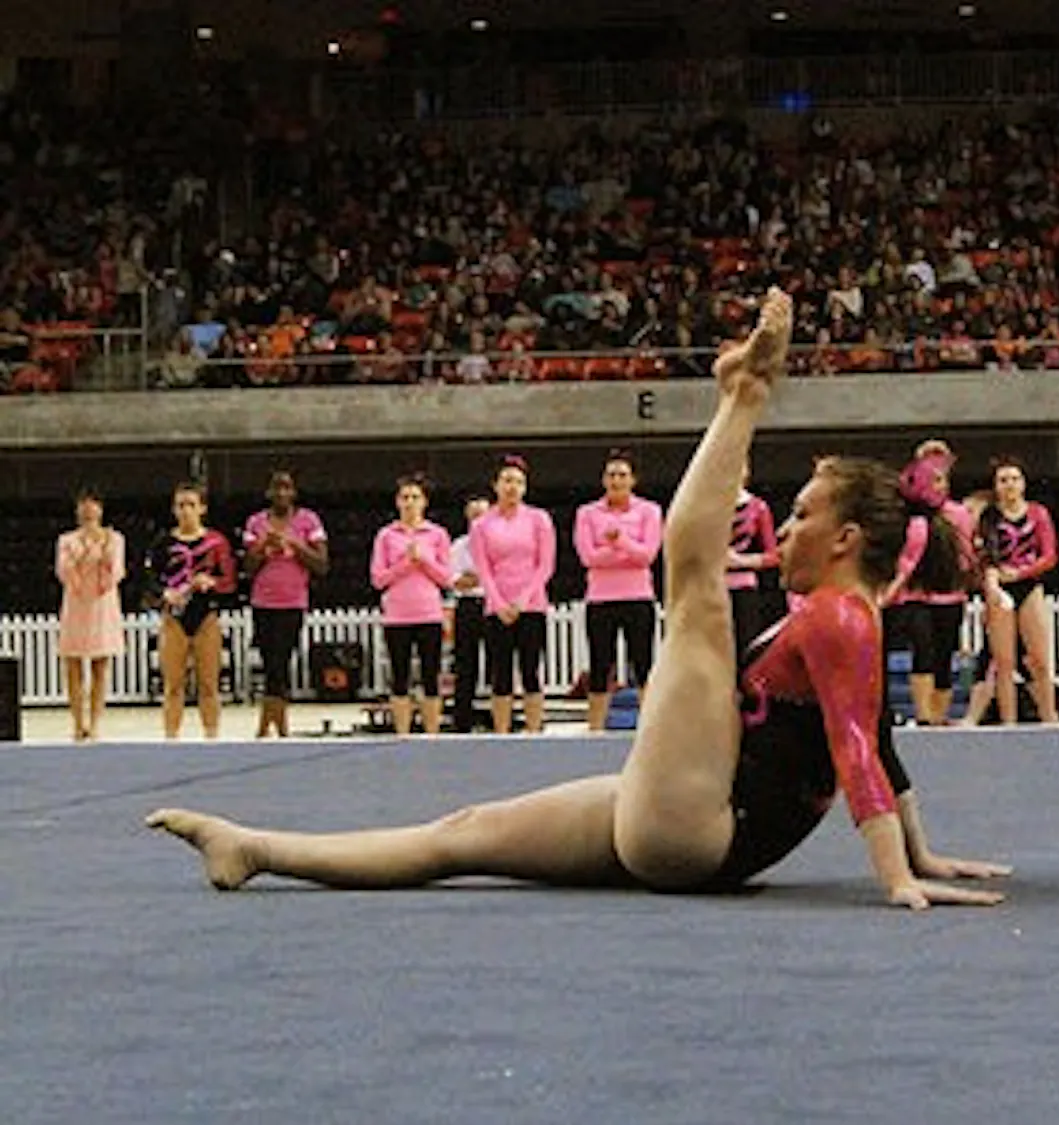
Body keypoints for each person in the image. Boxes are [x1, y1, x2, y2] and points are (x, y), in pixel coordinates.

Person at [147, 289, 1006, 909]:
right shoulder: (848, 618)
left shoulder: (840, 613)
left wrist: (897, 876)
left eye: (802, 515)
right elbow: (878, 739)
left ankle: (743, 395)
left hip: (701, 824)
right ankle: (254, 847)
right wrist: (922, 851)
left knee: (698, 596)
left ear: (848, 539)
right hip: (686, 815)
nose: (783, 529)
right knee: (465, 830)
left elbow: (857, 745)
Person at [882, 442, 971, 726]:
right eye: (931, 479)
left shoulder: (958, 514)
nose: (938, 486)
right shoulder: (911, 516)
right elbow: (904, 558)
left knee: (945, 654)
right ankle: (923, 714)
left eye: (941, 480)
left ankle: (938, 715)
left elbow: (966, 555)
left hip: (950, 594)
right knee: (924, 650)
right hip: (917, 595)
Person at [573, 449, 663, 730]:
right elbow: (588, 557)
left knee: (643, 663)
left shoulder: (649, 511)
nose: (616, 480)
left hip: (638, 596)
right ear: (603, 480)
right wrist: (622, 552)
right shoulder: (587, 513)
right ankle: (596, 727)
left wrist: (618, 541)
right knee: (600, 664)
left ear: (633, 480)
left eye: (622, 475)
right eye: (611, 475)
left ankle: (648, 728)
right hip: (601, 598)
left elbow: (647, 555)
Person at [469, 456, 556, 735]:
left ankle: (533, 729)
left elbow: (545, 565)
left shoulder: (539, 519)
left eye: (518, 482)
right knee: (500, 673)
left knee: (531, 670)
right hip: (497, 607)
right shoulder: (482, 525)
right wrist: (499, 603)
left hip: (531, 605)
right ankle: (502, 732)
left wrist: (524, 599)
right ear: (496, 485)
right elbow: (483, 569)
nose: (512, 487)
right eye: (507, 481)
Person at [144, 482, 238, 740]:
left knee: (209, 685)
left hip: (206, 617)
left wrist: (212, 583)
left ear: (202, 508)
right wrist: (165, 593)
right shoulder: (164, 542)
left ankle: (211, 736)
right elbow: (150, 580)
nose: (186, 511)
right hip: (174, 619)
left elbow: (230, 582)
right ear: (174, 510)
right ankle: (171, 737)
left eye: (191, 505)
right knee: (173, 686)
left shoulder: (216, 542)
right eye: (181, 505)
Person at [974, 456, 1059, 725]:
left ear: (1023, 483)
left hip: (1029, 585)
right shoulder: (989, 517)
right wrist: (992, 588)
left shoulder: (1038, 513)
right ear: (996, 486)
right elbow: (986, 557)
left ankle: (1050, 715)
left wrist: (1021, 572)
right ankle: (1008, 721)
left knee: (1040, 660)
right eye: (1003, 480)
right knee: (1004, 662)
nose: (1009, 485)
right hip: (1001, 588)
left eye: (1014, 479)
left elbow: (1049, 556)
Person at [243, 470, 329, 738]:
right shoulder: (256, 522)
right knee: (270, 662)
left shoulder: (308, 520)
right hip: (263, 601)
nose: (281, 494)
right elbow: (247, 567)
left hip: (292, 601)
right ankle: (275, 723)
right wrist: (263, 547)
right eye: (276, 489)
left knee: (282, 660)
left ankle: (270, 725)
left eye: (286, 488)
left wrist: (295, 544)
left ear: (293, 492)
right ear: (268, 493)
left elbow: (321, 564)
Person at [370, 473, 452, 736]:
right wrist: (405, 563)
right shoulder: (386, 535)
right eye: (405, 497)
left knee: (431, 675)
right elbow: (378, 578)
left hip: (429, 613)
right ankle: (402, 733)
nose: (409, 502)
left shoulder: (437, 534)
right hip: (397, 615)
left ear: (424, 502)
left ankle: (431, 732)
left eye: (415, 497)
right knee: (400, 675)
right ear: (397, 502)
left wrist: (424, 561)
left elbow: (446, 577)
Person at [54, 487, 126, 741]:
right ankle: (77, 722)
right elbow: (64, 572)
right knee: (72, 665)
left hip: (102, 605)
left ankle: (95, 723)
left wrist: (103, 549)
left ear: (101, 509)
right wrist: (85, 549)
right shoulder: (66, 540)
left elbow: (116, 572)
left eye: (93, 504)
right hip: (75, 604)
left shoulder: (114, 538)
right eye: (83, 505)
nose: (88, 510)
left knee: (100, 667)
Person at [448, 493, 493, 734]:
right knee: (465, 664)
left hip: (493, 602)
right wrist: (476, 578)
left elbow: (497, 576)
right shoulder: (458, 545)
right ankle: (462, 719)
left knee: (499, 662)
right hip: (467, 605)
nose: (478, 518)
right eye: (474, 514)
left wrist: (478, 577)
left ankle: (501, 717)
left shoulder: (499, 543)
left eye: (482, 514)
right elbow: (454, 580)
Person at [726, 462, 779, 659]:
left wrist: (742, 561)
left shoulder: (758, 507)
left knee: (745, 647)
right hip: (711, 588)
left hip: (743, 587)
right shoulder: (707, 505)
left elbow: (774, 555)